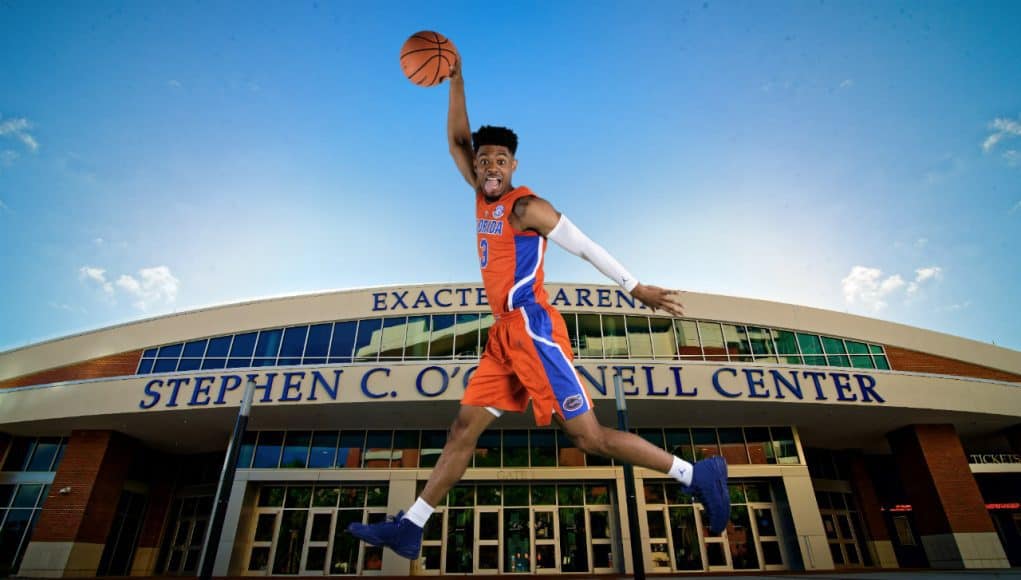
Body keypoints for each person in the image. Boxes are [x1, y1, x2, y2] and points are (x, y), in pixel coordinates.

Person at [348, 59, 730, 561]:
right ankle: (412, 525)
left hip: (533, 330)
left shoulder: (526, 208)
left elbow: (583, 244)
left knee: (589, 438)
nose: (489, 167)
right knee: (464, 426)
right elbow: (457, 142)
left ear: (513, 166)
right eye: (484, 160)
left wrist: (635, 287)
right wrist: (457, 78)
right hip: (502, 336)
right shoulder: (481, 197)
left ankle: (694, 474)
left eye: (500, 160)